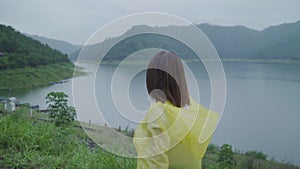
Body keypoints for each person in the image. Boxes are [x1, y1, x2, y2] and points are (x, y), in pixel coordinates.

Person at [133, 51, 219, 169]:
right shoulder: (192, 109)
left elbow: (154, 161)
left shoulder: (159, 113)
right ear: (180, 76)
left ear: (152, 79)